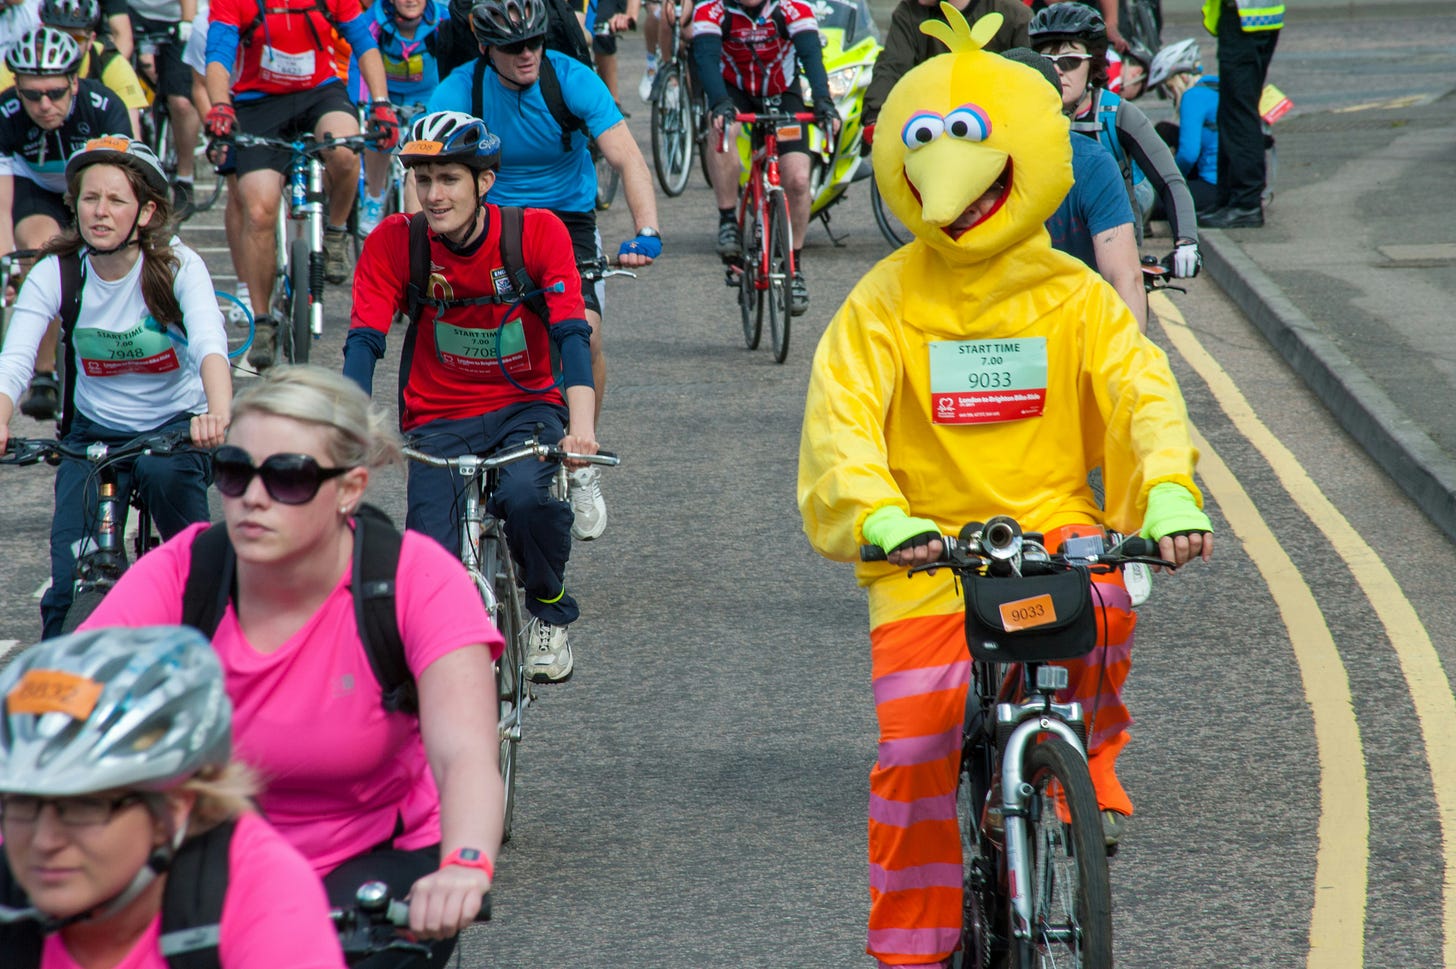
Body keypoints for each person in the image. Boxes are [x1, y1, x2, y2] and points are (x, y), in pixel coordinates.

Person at [797, 10, 1211, 966]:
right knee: (914, 752)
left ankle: (1077, 762)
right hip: (926, 556)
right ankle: (914, 946)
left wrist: (1167, 497)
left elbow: (1140, 390)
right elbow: (842, 424)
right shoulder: (883, 302)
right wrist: (881, 517)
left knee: (1107, 611)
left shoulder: (1071, 294)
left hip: (1055, 533)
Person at [83, 364, 504, 965]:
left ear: (351, 489)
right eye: (234, 472)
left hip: (374, 858)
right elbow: (64, 702)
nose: (253, 497)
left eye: (288, 478)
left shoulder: (415, 580)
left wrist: (465, 866)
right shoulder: (185, 574)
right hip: (209, 851)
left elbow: (463, 754)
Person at [344, 111, 598, 685]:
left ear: (484, 181)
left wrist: (580, 429)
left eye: (449, 179)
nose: (434, 195)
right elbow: (363, 342)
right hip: (438, 416)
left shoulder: (536, 233)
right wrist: (349, 428)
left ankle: (548, 608)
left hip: (526, 408)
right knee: (428, 557)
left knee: (528, 500)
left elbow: (571, 334)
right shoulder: (396, 243)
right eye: (423, 180)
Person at [428, 0, 661, 541]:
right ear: (486, 48)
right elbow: (425, 177)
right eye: (513, 47)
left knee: (587, 333)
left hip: (569, 222)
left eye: (534, 41)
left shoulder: (571, 79)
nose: (527, 53)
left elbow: (627, 157)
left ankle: (581, 459)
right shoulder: (463, 88)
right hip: (488, 223)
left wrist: (646, 231)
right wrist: (419, 251)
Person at [0, 625, 349, 969]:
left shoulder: (258, 891)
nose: (45, 841)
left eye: (84, 807)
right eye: (22, 803)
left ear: (175, 804)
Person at [0, 136, 229, 639]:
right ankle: (56, 697)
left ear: (145, 212)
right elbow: (14, 360)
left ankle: (213, 653)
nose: (100, 212)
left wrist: (217, 412)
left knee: (192, 564)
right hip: (92, 432)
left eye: (116, 200)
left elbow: (210, 340)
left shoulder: (175, 265)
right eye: (89, 198)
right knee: (66, 587)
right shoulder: (56, 271)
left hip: (174, 429)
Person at [203, 0, 400, 370]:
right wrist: (220, 105)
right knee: (258, 211)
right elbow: (217, 55)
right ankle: (263, 322)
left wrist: (381, 103)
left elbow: (365, 44)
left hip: (319, 94)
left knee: (344, 150)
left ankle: (337, 231)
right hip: (256, 102)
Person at [0, 26, 131, 422]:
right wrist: (7, 260)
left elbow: (125, 188)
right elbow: (2, 205)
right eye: (31, 94)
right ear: (17, 87)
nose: (43, 105)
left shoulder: (103, 106)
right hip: (36, 189)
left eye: (55, 93)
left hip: (93, 187)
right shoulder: (6, 114)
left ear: (74, 82)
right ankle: (44, 373)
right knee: (44, 257)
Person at [1029, 2, 1199, 276]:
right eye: (1046, 62)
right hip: (1043, 265)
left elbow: (1170, 181)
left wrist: (1187, 242)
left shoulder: (1116, 113)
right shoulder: (1020, 116)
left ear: (1094, 64)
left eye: (1070, 61)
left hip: (1111, 264)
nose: (1058, 71)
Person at [691, 0, 835, 315]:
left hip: (783, 95)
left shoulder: (792, 8)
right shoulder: (711, 10)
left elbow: (810, 54)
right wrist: (719, 104)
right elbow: (705, 57)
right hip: (733, 93)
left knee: (797, 179)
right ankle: (728, 219)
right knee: (723, 131)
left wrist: (823, 100)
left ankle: (794, 268)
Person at [1004, 46, 1146, 332]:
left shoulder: (1090, 164)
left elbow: (1125, 276)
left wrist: (1132, 364)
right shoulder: (973, 169)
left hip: (1075, 325)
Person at [861, 0, 1028, 150]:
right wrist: (875, 114)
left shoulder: (1013, 14)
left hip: (994, 135)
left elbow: (1030, 78)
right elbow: (892, 65)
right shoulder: (910, 12)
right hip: (929, 133)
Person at [349, 0, 449, 235]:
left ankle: (419, 227)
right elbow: (358, 65)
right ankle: (374, 196)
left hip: (426, 99)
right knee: (380, 131)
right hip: (385, 96)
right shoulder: (372, 21)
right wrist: (361, 107)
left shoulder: (443, 19)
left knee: (423, 155)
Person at [0, 0, 148, 140]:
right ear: (42, 30)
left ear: (91, 40)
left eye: (76, 38)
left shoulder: (110, 64)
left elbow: (133, 139)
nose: (66, 42)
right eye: (57, 34)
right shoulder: (24, 62)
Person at [1200, 0, 1278, 228]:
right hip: (1257, 17)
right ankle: (1230, 199)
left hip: (1243, 19)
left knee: (1238, 115)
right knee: (1232, 112)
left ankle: (1246, 203)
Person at [123, 0, 204, 217]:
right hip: (130, 14)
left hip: (179, 16)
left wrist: (187, 22)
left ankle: (185, 178)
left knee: (182, 102)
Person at [1148, 36, 1218, 215]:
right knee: (1165, 129)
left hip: (1213, 186)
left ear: (1181, 78)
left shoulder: (1193, 97)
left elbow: (1188, 154)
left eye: (1171, 88)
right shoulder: (1216, 86)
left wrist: (1171, 183)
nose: (1172, 95)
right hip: (1231, 182)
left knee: (1146, 203)